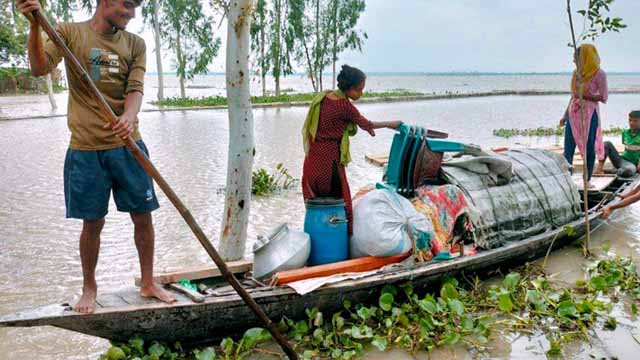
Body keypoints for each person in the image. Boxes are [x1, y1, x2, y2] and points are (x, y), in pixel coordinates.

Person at [16, 0, 175, 313]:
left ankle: (148, 281)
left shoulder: (135, 44)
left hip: (128, 145)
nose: (132, 14)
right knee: (92, 223)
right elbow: (38, 68)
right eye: (127, 5)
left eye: (136, 8)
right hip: (86, 149)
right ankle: (89, 288)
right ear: (105, 2)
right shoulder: (68, 33)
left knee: (143, 217)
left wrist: (129, 116)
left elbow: (135, 88)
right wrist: (35, 25)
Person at [301, 65, 402, 236]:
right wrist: (390, 124)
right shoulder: (344, 106)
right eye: (359, 90)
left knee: (316, 203)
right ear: (349, 87)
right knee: (341, 204)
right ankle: (343, 241)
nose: (361, 94)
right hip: (329, 160)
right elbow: (367, 124)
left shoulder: (325, 97)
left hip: (313, 158)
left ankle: (316, 239)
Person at [560, 44, 608, 185]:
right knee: (568, 147)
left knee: (589, 146)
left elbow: (603, 97)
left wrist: (585, 96)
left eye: (576, 58)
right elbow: (573, 96)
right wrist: (565, 115)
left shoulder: (599, 74)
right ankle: (567, 179)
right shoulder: (576, 73)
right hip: (573, 113)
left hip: (589, 114)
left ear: (585, 58)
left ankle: (586, 180)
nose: (574, 61)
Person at [594, 111, 640, 178]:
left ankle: (615, 172)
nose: (631, 123)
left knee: (629, 170)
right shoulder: (625, 133)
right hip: (622, 160)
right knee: (607, 144)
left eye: (635, 121)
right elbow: (627, 148)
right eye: (630, 120)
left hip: (633, 165)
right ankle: (599, 169)